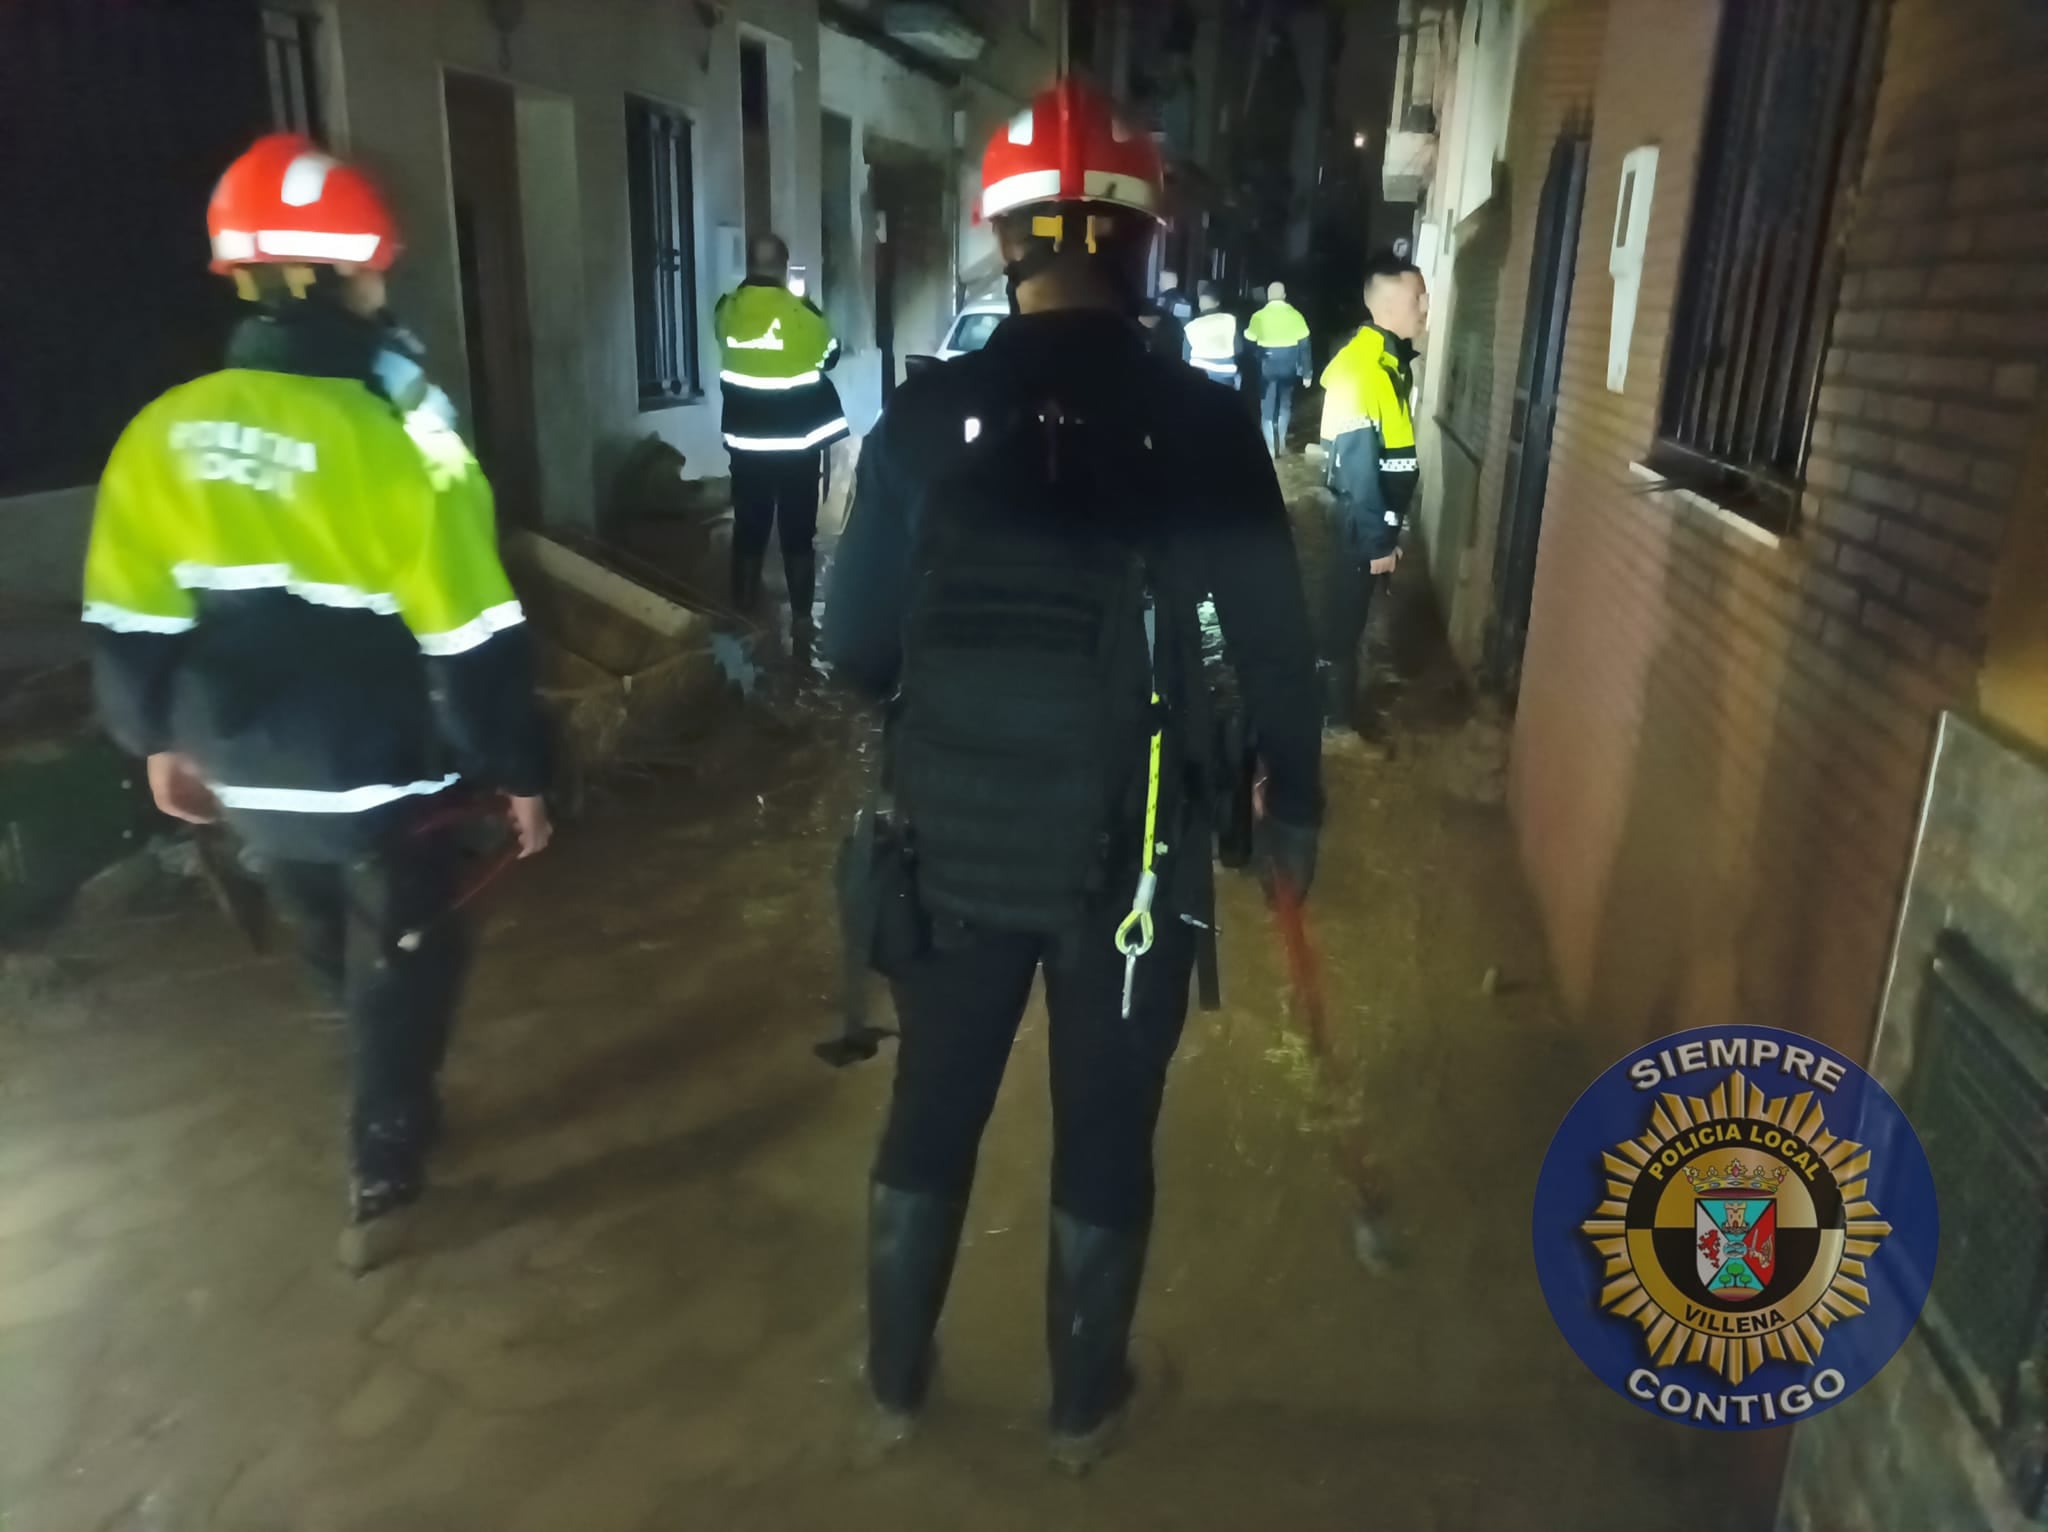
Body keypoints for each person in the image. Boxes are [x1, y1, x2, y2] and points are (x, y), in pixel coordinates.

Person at [821, 79, 1322, 1473]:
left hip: (954, 848)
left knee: (935, 1104)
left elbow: (850, 647)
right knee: (1106, 1124)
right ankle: (1079, 1409)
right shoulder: (1204, 426)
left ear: (1007, 243)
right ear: (1141, 243)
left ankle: (894, 1383)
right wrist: (1296, 809)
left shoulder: (925, 422)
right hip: (1136, 864)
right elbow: (1280, 652)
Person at [81, 133, 552, 1272]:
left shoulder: (163, 432)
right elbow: (473, 634)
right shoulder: (407, 440)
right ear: (337, 279)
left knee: (319, 937)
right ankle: (383, 1152)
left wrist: (155, 742)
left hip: (239, 768)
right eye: (377, 269)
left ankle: (369, 1072)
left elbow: (128, 615)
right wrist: (524, 770)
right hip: (382, 772)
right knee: (407, 950)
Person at [715, 233, 847, 636]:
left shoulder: (726, 311)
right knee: (797, 535)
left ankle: (742, 614)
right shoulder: (802, 315)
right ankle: (803, 622)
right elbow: (830, 356)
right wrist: (805, 305)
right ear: (784, 267)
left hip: (746, 450)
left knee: (748, 529)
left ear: (749, 264)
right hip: (795, 452)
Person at [1317, 251, 1426, 738]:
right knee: (1344, 622)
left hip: (1364, 517)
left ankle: (1336, 717)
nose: (1425, 309)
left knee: (1351, 618)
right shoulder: (1365, 370)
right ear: (1386, 305)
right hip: (1356, 516)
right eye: (1418, 299)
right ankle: (1333, 727)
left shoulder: (1386, 362)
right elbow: (1359, 467)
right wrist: (1380, 539)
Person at [1245, 280, 1314, 457]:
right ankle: (1281, 441)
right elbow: (1305, 346)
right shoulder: (1296, 315)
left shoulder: (1258, 316)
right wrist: (1307, 373)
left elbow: (1249, 344)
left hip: (1266, 368)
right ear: (1284, 296)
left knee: (1267, 408)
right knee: (1285, 404)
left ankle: (1270, 447)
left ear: (1268, 297)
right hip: (1288, 368)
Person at [1181, 280, 1243, 388]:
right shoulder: (1229, 321)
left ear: (1200, 303)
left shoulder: (1191, 326)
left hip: (1199, 376)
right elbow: (1239, 348)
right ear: (1217, 303)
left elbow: (1186, 357)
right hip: (1225, 375)